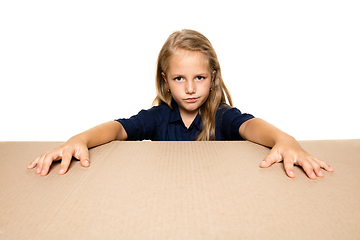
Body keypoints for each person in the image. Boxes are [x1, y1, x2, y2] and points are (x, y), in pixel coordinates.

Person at [28, 29, 334, 179]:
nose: (190, 89)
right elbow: (119, 129)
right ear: (165, 79)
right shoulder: (159, 118)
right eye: (179, 79)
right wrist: (78, 139)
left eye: (199, 77)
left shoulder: (221, 115)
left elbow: (250, 126)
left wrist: (285, 140)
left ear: (213, 77)